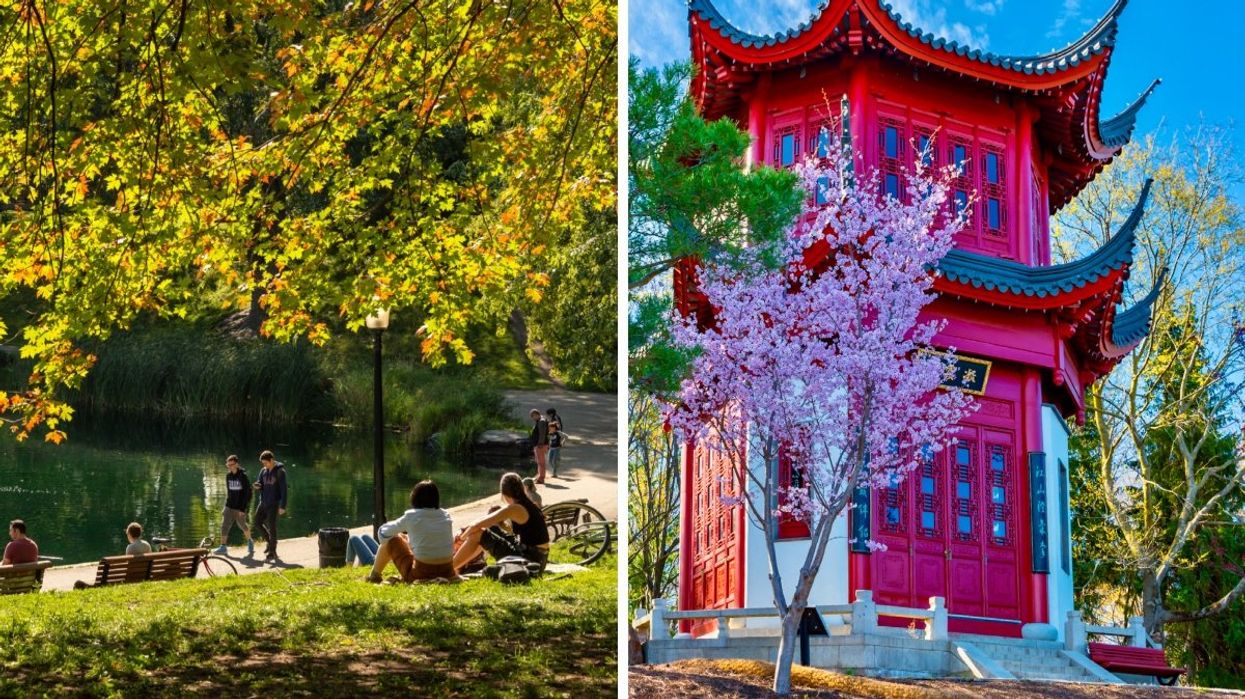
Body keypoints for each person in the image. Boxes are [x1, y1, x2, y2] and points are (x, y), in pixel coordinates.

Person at [361, 480, 457, 583]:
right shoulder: (445, 515)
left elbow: (384, 535)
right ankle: (374, 576)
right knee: (404, 538)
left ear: (415, 498)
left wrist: (400, 535)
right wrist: (409, 538)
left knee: (392, 539)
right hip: (447, 572)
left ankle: (374, 576)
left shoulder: (412, 516)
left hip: (420, 574)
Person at [452, 472, 550, 572]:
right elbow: (522, 532)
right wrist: (500, 525)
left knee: (478, 534)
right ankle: (456, 567)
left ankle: (449, 570)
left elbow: (477, 524)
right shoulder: (526, 504)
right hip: (538, 558)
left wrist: (461, 538)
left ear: (504, 493)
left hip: (530, 560)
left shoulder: (515, 508)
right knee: (490, 529)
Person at [216, 454, 255, 557]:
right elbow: (229, 492)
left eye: (231, 465)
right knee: (224, 526)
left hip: (239, 507)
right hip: (229, 505)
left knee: (242, 525)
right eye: (228, 465)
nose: (229, 467)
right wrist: (226, 505)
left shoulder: (243, 476)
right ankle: (223, 547)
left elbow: (248, 493)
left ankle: (250, 541)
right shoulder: (228, 476)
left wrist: (243, 509)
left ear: (236, 464)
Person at [252, 450, 288, 561]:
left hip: (274, 503)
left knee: (272, 527)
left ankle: (273, 551)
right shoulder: (263, 471)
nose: (264, 465)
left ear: (271, 460)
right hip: (263, 502)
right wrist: (257, 486)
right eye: (263, 463)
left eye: (266, 463)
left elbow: (284, 490)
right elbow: (261, 484)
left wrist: (283, 506)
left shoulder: (280, 471)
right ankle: (270, 542)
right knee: (257, 523)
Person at [529, 409, 549, 484]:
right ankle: (539, 475)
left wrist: (540, 443)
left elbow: (542, 433)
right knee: (539, 461)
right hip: (538, 444)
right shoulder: (540, 420)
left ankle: (541, 478)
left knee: (541, 462)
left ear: (536, 414)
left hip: (540, 445)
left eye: (532, 416)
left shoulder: (541, 421)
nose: (532, 418)